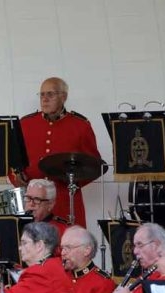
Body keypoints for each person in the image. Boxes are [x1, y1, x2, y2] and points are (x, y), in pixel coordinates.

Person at [10, 77, 101, 227]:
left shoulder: (80, 126)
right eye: (42, 94)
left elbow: (95, 165)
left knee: (69, 245)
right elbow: (11, 160)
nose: (44, 99)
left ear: (63, 97)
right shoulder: (25, 124)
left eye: (50, 94)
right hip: (32, 201)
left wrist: (72, 183)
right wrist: (17, 178)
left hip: (65, 200)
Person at [61, 225, 115, 293]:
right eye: (62, 248)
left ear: (87, 250)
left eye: (68, 248)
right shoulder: (60, 275)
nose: (63, 253)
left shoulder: (102, 282)